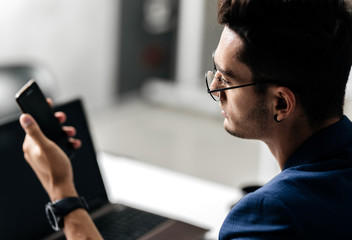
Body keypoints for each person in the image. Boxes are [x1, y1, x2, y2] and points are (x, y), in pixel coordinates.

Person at [19, 0, 352, 239]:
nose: (215, 88)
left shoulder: (268, 215)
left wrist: (63, 194)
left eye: (227, 77)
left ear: (281, 103)